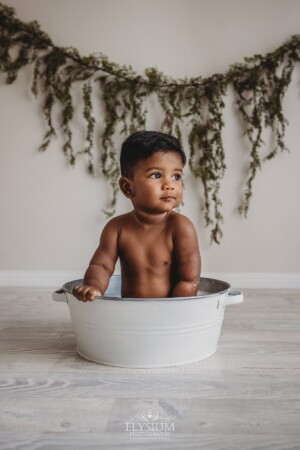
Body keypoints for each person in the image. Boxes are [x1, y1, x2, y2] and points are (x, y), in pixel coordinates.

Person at [73, 130, 201, 301]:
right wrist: (93, 286)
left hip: (169, 312)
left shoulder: (181, 228)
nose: (169, 185)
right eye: (156, 175)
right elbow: (101, 266)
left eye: (176, 176)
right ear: (127, 187)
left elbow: (189, 280)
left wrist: (173, 312)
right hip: (130, 313)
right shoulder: (116, 228)